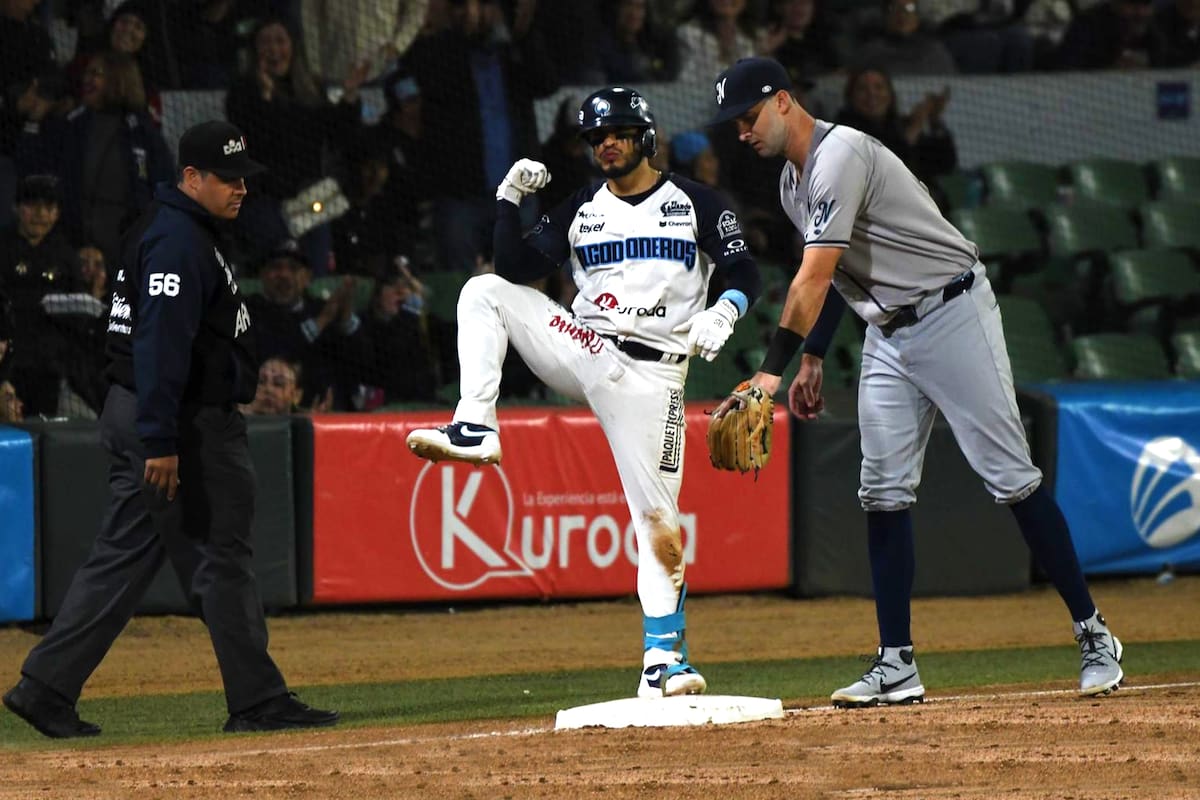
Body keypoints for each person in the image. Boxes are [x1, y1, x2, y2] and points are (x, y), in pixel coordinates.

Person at [707, 57, 1124, 707]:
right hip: (888, 334)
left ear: (784, 101)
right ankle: (896, 663)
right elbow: (839, 275)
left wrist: (768, 374)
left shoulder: (840, 154)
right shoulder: (794, 185)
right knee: (881, 491)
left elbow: (811, 279)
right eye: (734, 124)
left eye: (749, 116)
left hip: (951, 311)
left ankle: (1094, 635)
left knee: (1011, 478)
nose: (742, 132)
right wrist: (814, 355)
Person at [406, 86, 763, 698]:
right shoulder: (581, 208)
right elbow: (517, 268)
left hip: (656, 377)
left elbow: (745, 268)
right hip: (586, 346)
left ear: (645, 136)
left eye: (618, 133)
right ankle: (475, 425)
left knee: (659, 523)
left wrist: (728, 307)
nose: (607, 144)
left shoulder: (697, 202)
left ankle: (662, 663)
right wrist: (507, 199)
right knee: (483, 292)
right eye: (597, 137)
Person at [1, 119, 339, 738]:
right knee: (222, 557)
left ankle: (44, 687)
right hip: (181, 422)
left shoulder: (180, 230)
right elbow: (159, 345)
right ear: (191, 177)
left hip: (150, 412)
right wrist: (161, 440)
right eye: (227, 178)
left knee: (124, 555)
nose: (240, 188)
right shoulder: (180, 240)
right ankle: (258, 699)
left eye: (243, 178)